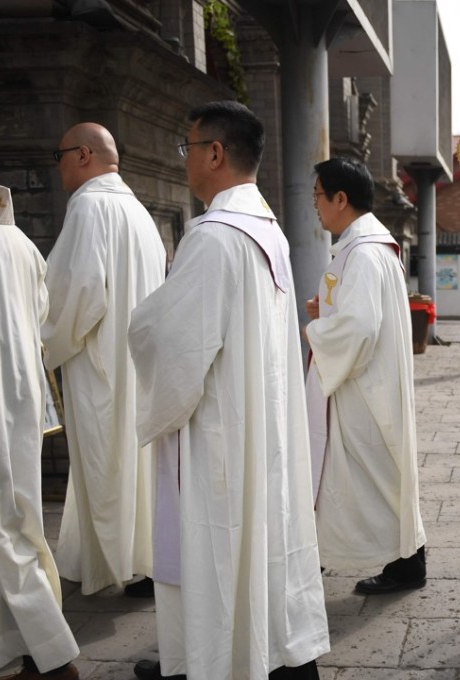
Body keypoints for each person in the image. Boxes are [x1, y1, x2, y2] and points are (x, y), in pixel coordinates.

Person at [127, 101, 330, 680]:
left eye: (187, 148)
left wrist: (141, 322)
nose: (185, 160)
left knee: (218, 547)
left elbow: (173, 341)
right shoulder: (268, 230)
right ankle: (263, 653)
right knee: (259, 544)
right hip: (256, 424)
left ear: (214, 153)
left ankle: (213, 661)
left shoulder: (214, 237)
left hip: (218, 432)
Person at [42, 122, 164, 597]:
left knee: (105, 466)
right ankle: (142, 562)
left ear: (85, 155)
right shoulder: (137, 211)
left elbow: (76, 294)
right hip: (138, 366)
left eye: (61, 156)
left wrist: (40, 343)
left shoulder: (89, 207)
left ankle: (118, 565)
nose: (59, 168)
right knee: (134, 470)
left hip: (101, 365)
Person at [303, 156, 427, 594]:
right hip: (371, 381)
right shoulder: (368, 246)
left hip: (363, 387)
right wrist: (329, 312)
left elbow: (358, 327)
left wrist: (316, 330)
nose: (314, 204)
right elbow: (362, 313)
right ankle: (407, 562)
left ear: (341, 198)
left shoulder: (365, 252)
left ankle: (402, 563)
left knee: (370, 478)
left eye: (318, 195)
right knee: (384, 477)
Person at [0, 122, 80, 680]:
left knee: (2, 527)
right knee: (12, 520)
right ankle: (12, 647)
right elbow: (41, 320)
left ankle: (56, 655)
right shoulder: (18, 243)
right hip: (16, 401)